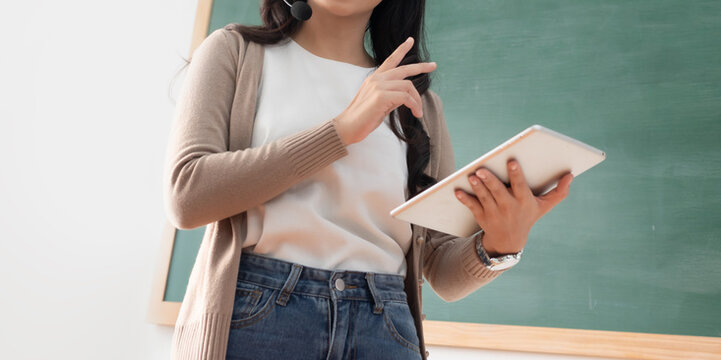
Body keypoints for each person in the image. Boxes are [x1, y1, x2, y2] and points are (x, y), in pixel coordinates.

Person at [163, 0, 573, 359]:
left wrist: (500, 246)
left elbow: (439, 269)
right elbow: (187, 195)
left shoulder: (419, 104)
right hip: (259, 316)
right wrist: (341, 131)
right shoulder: (236, 52)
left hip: (385, 325)